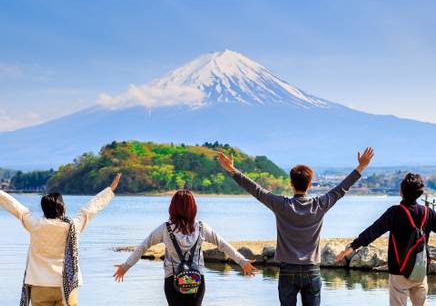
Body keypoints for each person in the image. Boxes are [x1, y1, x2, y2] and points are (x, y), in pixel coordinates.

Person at [217, 148, 374, 306]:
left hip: (287, 270)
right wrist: (361, 167)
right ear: (310, 184)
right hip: (311, 270)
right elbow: (341, 189)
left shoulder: (282, 205)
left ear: (291, 184)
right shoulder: (320, 204)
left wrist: (232, 169)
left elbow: (256, 190)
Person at [113, 189, 257, 306]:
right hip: (196, 279)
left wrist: (126, 266)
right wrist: (242, 261)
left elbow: (144, 246)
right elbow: (223, 245)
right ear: (193, 208)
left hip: (173, 279)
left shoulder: (165, 229)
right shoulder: (201, 228)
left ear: (172, 207)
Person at [0, 173, 122, 306]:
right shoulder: (72, 226)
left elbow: (18, 209)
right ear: (62, 208)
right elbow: (89, 210)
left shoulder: (35, 225)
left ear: (44, 209)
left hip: (40, 285)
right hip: (68, 286)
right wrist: (109, 190)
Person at [336, 173, 436, 306]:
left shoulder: (394, 212)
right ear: (420, 193)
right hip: (420, 270)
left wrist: (354, 246)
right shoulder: (428, 213)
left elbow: (373, 231)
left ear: (401, 192)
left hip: (399, 271)